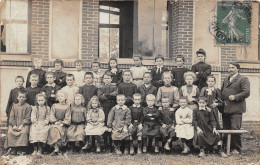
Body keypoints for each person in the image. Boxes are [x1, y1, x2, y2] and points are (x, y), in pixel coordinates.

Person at [221, 62, 250, 154]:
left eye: (232, 67)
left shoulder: (243, 79)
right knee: (226, 128)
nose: (230, 69)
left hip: (236, 108)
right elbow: (222, 92)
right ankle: (226, 147)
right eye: (229, 67)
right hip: (226, 108)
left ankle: (236, 149)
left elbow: (246, 92)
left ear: (238, 69)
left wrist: (235, 97)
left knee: (235, 129)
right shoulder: (226, 79)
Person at [5, 90, 32, 155]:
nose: (21, 98)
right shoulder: (14, 106)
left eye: (23, 97)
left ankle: (21, 148)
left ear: (26, 98)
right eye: (20, 97)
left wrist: (22, 125)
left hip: (24, 124)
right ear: (17, 97)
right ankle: (13, 148)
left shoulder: (27, 106)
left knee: (23, 132)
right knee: (10, 132)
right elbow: (11, 117)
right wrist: (14, 125)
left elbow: (28, 117)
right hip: (15, 123)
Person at [97, 71, 118, 152]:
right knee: (106, 123)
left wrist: (105, 95)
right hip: (104, 107)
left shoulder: (114, 87)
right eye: (105, 78)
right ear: (103, 79)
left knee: (112, 123)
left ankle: (113, 142)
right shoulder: (100, 88)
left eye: (108, 78)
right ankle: (106, 143)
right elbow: (100, 97)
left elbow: (115, 94)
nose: (107, 80)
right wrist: (110, 95)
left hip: (112, 106)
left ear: (111, 79)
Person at [47, 91, 71, 156]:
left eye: (62, 96)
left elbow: (67, 118)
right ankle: (56, 147)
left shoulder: (67, 107)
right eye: (59, 96)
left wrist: (63, 123)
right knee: (54, 128)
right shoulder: (54, 105)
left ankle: (57, 148)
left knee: (58, 129)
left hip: (63, 124)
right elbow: (51, 115)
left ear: (65, 97)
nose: (60, 98)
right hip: (55, 123)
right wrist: (55, 122)